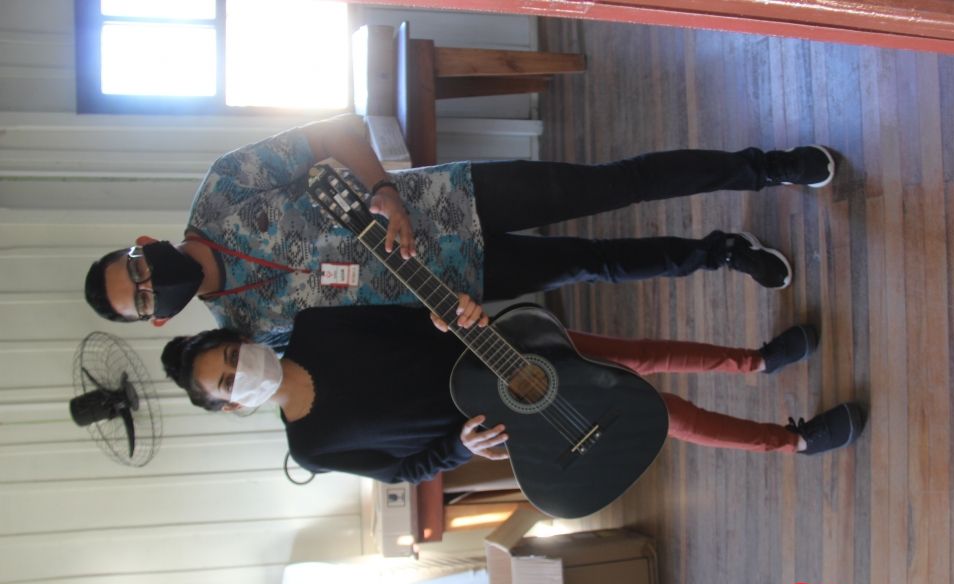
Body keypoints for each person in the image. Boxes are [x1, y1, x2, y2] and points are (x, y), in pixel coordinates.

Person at [85, 114, 836, 348]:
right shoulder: (246, 332)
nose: (152, 283)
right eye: (142, 299)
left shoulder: (223, 189)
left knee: (615, 184)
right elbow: (357, 347)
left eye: (138, 268)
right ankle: (723, 254)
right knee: (597, 265)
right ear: (158, 318)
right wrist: (433, 326)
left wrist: (384, 191)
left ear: (144, 243)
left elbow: (336, 131)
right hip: (455, 288)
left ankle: (765, 168)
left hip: (454, 200)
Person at [160, 298, 865, 485]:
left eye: (231, 355)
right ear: (232, 406)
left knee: (639, 354)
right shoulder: (313, 448)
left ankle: (756, 361)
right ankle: (793, 441)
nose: (240, 370)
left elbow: (407, 318)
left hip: (504, 352)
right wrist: (459, 448)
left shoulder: (317, 327)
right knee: (659, 415)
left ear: (241, 338)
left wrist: (449, 316)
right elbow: (405, 469)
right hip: (515, 418)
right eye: (227, 382)